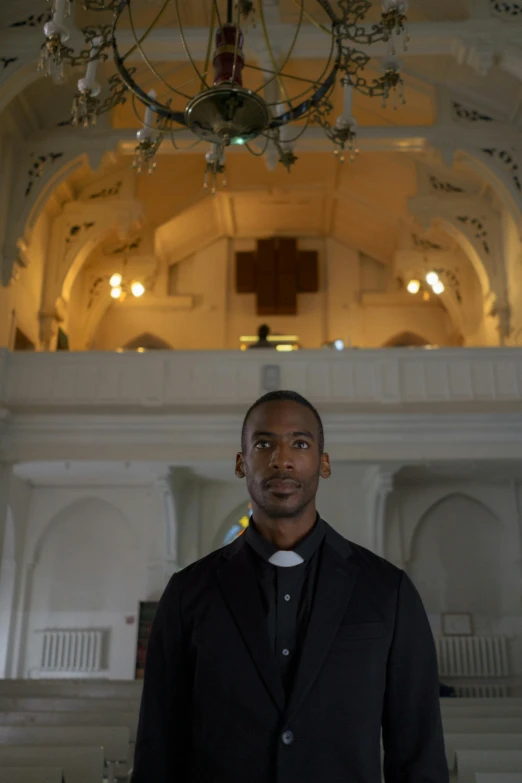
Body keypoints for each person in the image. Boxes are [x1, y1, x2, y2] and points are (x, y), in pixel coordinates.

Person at [132, 390, 449, 783]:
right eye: (264, 444)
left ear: (324, 462)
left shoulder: (388, 590)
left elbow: (419, 753)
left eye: (300, 444)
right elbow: (158, 747)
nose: (281, 459)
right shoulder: (187, 592)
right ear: (240, 462)